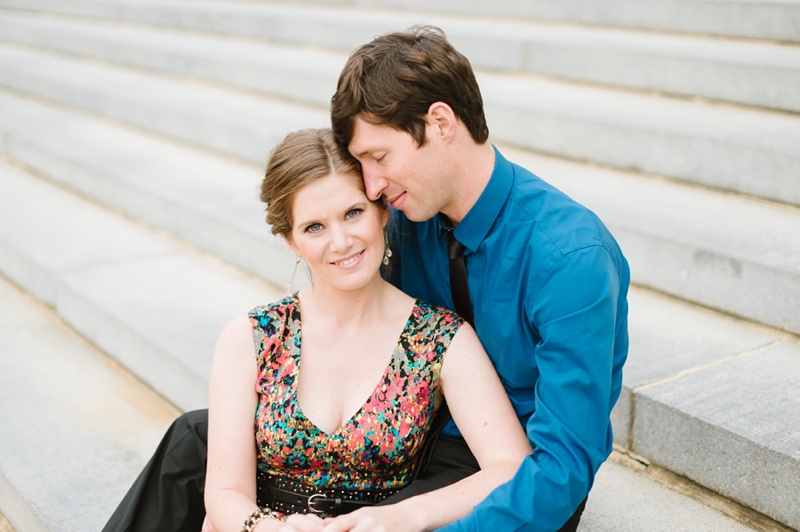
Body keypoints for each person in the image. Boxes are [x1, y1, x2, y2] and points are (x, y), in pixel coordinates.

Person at [104, 26, 629, 532]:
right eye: (364, 167)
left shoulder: (570, 258)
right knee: (197, 437)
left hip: (516, 479)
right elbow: (328, 209)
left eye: (378, 158)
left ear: (441, 123)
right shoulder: (401, 210)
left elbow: (561, 467)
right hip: (411, 435)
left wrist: (407, 522)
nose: (372, 187)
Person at [201, 128, 530, 532]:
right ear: (291, 241)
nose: (341, 242)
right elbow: (223, 492)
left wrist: (402, 516)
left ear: (382, 212)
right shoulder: (250, 337)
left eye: (353, 213)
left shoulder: (441, 338)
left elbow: (511, 467)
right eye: (314, 227)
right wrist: (268, 528)